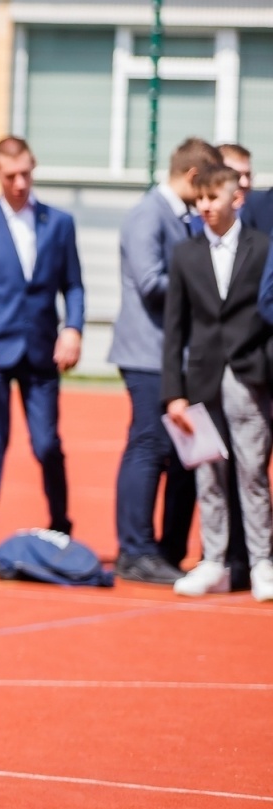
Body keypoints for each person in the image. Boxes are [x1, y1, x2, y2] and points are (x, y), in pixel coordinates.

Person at [0, 137, 84, 568]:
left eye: (27, 172)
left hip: (42, 351)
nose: (20, 182)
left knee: (47, 444)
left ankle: (61, 526)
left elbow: (74, 285)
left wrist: (73, 329)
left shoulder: (58, 223)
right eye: (11, 175)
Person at [109, 137, 222, 584]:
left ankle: (168, 548)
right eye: (207, 185)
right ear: (193, 176)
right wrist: (206, 283)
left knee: (187, 455)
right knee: (148, 446)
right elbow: (151, 281)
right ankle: (135, 551)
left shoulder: (184, 218)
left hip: (178, 356)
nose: (210, 198)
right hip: (147, 355)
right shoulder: (147, 215)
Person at [163, 163, 273, 600]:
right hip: (200, 379)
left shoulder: (262, 247)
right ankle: (213, 561)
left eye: (214, 198)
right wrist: (173, 392)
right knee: (208, 471)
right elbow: (175, 330)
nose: (205, 207)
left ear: (236, 199)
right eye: (199, 199)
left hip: (250, 377)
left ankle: (263, 562)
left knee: (252, 470)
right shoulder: (185, 254)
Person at [222, 143, 273, 233]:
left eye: (248, 175)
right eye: (236, 176)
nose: (244, 183)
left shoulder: (265, 215)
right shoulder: (201, 219)